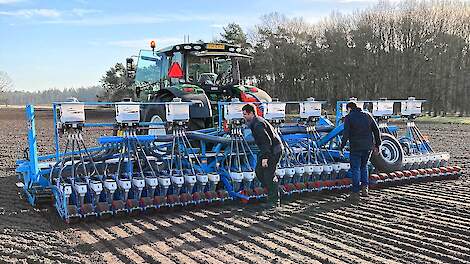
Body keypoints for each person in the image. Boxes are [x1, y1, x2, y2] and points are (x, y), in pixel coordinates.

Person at [242, 103, 284, 208]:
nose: (244, 117)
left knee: (269, 175)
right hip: (268, 150)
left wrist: (265, 158)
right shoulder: (256, 122)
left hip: (273, 151)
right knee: (259, 172)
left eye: (245, 114)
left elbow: (266, 142)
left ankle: (274, 201)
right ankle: (276, 190)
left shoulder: (258, 125)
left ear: (251, 113)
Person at [340, 101, 381, 198]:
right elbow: (376, 130)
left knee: (355, 169)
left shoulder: (349, 117)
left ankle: (355, 192)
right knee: (364, 167)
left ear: (349, 108)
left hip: (355, 147)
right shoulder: (368, 115)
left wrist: (342, 146)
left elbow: (346, 134)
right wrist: (377, 145)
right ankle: (365, 190)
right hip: (368, 147)